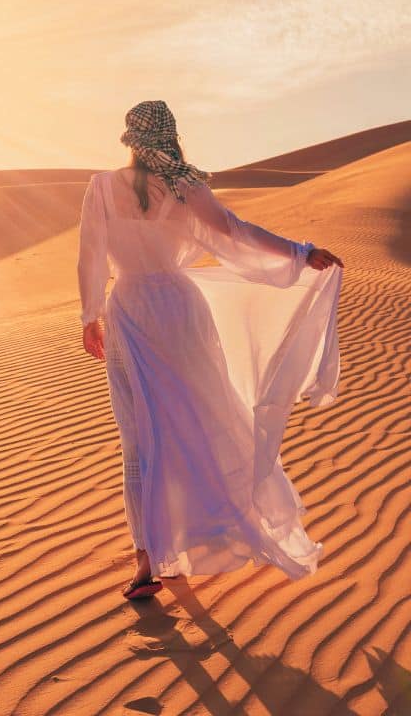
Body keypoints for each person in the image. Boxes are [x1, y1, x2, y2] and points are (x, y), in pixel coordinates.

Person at [77, 100, 344, 600]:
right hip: (178, 309)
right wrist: (299, 253)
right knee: (196, 422)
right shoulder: (184, 185)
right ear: (171, 137)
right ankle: (183, 543)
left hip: (128, 309)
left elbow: (90, 253)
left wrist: (91, 314)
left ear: (130, 141)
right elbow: (233, 232)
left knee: (138, 440)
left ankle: (146, 560)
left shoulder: (102, 186)